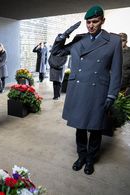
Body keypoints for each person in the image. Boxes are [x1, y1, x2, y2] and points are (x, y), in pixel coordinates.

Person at [52, 5, 122, 175]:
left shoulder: (113, 41)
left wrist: (112, 94)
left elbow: (117, 71)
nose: (91, 25)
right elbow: (57, 52)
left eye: (95, 22)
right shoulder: (79, 39)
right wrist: (63, 35)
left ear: (102, 21)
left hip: (98, 90)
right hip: (78, 89)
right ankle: (81, 156)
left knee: (95, 128)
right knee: (80, 126)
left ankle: (91, 159)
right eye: (88, 22)